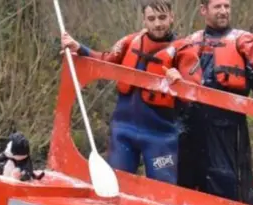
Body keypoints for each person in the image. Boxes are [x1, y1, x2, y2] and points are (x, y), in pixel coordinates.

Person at [60, 0, 201, 185]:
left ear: (171, 17)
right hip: (123, 131)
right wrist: (79, 48)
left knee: (163, 191)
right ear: (144, 20)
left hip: (161, 137)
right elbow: (105, 60)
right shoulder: (129, 42)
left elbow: (195, 89)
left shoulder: (185, 50)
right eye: (151, 18)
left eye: (162, 17)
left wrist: (180, 82)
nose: (157, 23)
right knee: (116, 186)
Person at [177, 0, 253, 205]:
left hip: (227, 126)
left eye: (227, 6)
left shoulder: (244, 41)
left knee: (226, 180)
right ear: (204, 10)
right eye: (218, 7)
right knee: (185, 178)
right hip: (191, 123)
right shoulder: (190, 42)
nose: (223, 11)